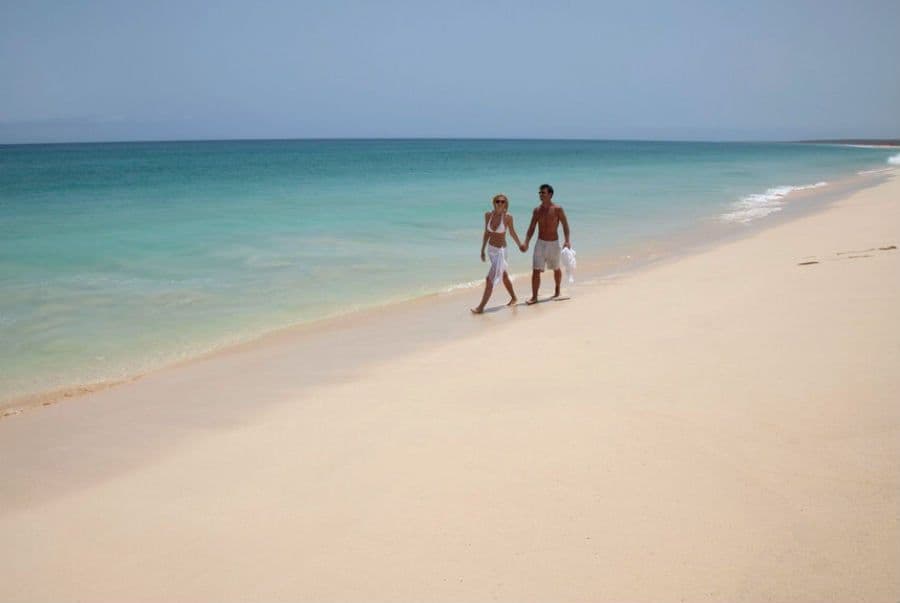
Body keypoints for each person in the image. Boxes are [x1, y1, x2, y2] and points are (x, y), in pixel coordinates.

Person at [471, 194, 526, 314]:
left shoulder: (508, 217)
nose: (500, 204)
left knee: (489, 279)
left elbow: (512, 233)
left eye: (502, 202)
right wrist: (482, 249)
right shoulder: (488, 215)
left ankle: (481, 307)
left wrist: (520, 244)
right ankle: (514, 297)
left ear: (506, 204)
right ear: (494, 203)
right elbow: (486, 232)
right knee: (504, 275)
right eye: (498, 201)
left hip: (501, 251)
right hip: (491, 250)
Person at [522, 183, 571, 304]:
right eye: (540, 193)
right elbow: (531, 227)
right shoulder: (537, 210)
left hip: (554, 243)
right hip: (540, 243)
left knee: (556, 268)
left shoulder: (557, 209)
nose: (540, 195)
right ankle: (534, 297)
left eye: (543, 193)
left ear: (550, 194)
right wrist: (526, 242)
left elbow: (565, 225)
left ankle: (557, 290)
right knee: (536, 270)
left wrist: (567, 240)